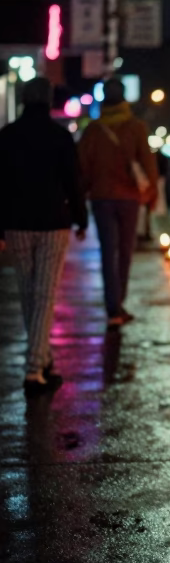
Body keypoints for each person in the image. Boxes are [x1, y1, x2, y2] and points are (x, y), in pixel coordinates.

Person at [0, 76, 88, 394]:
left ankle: (44, 359)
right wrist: (81, 219)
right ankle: (34, 368)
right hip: (53, 224)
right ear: (49, 101)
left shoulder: (6, 136)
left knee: (29, 294)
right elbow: (73, 182)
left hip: (17, 224)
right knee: (44, 295)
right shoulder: (60, 137)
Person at [78, 76, 157, 328]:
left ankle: (112, 307)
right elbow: (148, 163)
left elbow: (82, 168)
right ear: (124, 98)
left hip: (101, 198)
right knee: (124, 253)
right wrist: (150, 194)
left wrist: (82, 195)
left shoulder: (93, 129)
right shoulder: (136, 127)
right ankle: (119, 303)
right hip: (129, 198)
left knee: (107, 253)